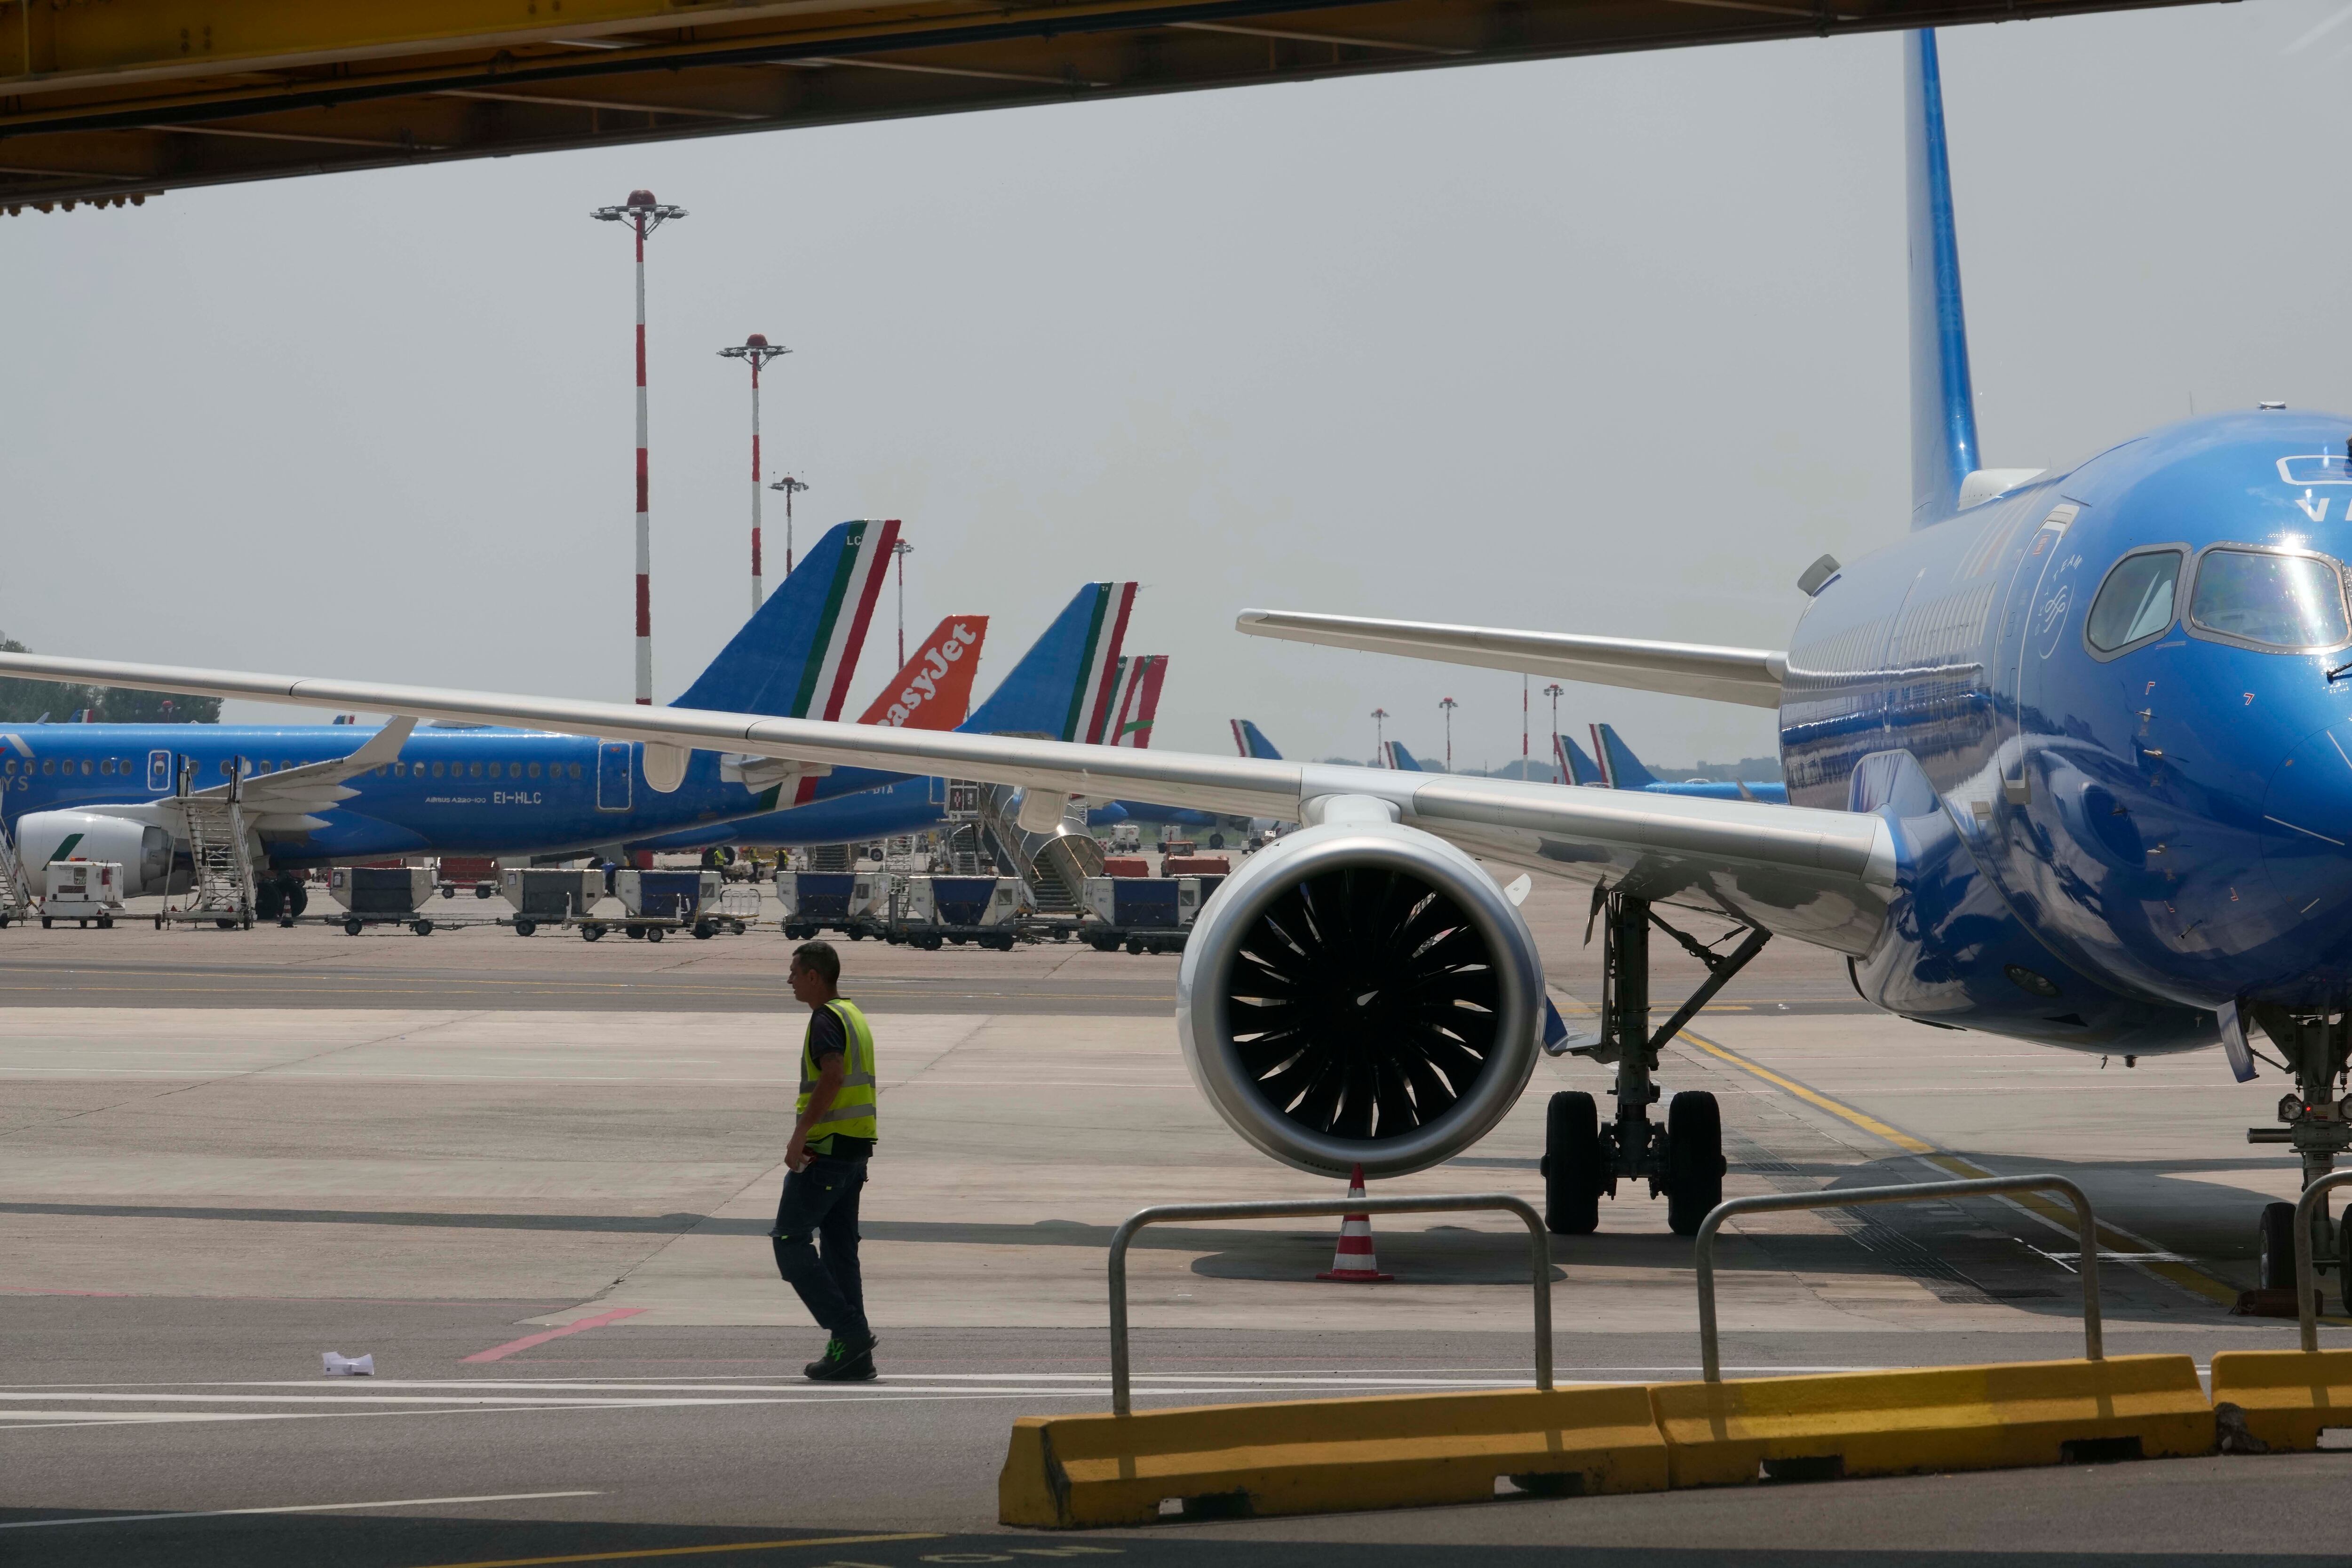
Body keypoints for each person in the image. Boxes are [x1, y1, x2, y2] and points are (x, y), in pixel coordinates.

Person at [771, 939, 880, 1382]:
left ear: (814, 976)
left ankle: (852, 1333)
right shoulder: (853, 1014)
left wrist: (799, 1136)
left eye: (795, 972)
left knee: (790, 1242)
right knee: (839, 1253)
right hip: (854, 1150)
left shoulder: (825, 1020)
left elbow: (832, 1076)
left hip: (828, 1149)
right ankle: (854, 1355)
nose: (790, 979)